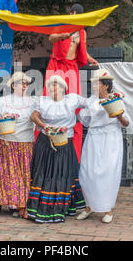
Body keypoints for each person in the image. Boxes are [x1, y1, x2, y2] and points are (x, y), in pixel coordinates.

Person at [41, 3, 99, 162]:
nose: (74, 15)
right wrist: (62, 36)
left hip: (71, 66)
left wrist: (90, 58)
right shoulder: (61, 24)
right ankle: (46, 138)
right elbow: (51, 38)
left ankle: (73, 148)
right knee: (50, 98)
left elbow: (82, 49)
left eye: (77, 13)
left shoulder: (82, 32)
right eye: (72, 12)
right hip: (56, 64)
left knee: (74, 102)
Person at [27, 75, 88, 223]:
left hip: (64, 142)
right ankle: (42, 207)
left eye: (55, 85)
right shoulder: (43, 101)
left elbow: (91, 104)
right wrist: (45, 126)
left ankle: (63, 207)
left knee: (62, 174)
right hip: (45, 142)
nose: (52, 88)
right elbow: (33, 116)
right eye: (50, 86)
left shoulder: (72, 99)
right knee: (44, 173)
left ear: (62, 88)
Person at [76, 69, 131, 223]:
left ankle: (107, 210)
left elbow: (126, 123)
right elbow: (85, 120)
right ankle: (89, 206)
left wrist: (118, 115)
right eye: (93, 83)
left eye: (97, 83)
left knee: (107, 173)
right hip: (93, 138)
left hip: (110, 138)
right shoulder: (92, 101)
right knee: (87, 173)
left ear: (106, 86)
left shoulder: (115, 99)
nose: (94, 86)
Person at [0, 72, 35, 218]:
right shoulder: (2, 101)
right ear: (13, 85)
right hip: (4, 142)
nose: (24, 86)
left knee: (19, 175)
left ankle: (16, 205)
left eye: (26, 83)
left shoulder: (33, 102)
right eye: (21, 83)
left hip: (23, 143)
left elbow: (37, 117)